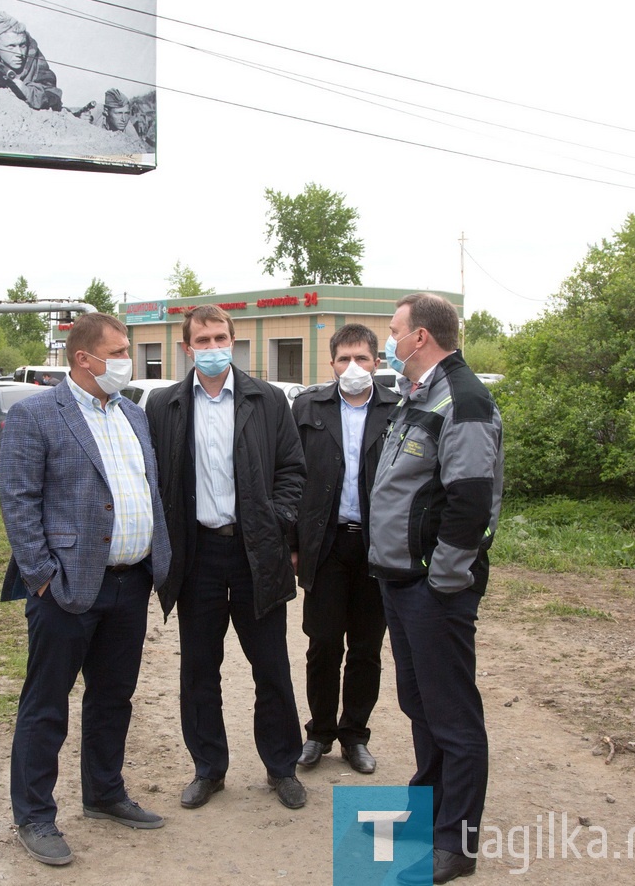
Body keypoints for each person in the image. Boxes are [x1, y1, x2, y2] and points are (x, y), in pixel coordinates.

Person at [0, 312, 170, 867]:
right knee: (46, 703)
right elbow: (18, 502)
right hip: (67, 587)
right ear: (83, 359)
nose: (127, 360)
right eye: (118, 351)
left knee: (112, 698)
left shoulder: (133, 415)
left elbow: (145, 489)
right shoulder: (36, 416)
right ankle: (35, 815)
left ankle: (104, 792)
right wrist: (42, 575)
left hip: (130, 582)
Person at [146, 305, 308, 811]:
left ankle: (281, 767)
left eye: (221, 338)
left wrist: (275, 520)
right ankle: (208, 768)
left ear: (234, 342)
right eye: (203, 339)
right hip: (197, 557)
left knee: (271, 668)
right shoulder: (164, 404)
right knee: (199, 670)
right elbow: (155, 479)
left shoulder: (268, 399)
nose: (213, 347)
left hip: (255, 552)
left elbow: (293, 471)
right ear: (186, 347)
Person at [367, 293, 503, 886]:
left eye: (394, 331)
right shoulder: (418, 394)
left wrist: (444, 580)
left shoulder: (465, 399)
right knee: (421, 705)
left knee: (453, 716)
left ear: (420, 336)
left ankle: (457, 842)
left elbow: (471, 500)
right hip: (402, 580)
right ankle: (425, 818)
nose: (389, 342)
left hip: (434, 588)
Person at [289, 324, 399, 775]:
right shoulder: (308, 407)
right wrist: (293, 543)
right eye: (343, 359)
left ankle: (355, 734)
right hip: (326, 544)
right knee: (324, 642)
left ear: (377, 361)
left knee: (367, 647)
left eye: (362, 358)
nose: (353, 367)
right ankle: (318, 733)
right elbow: (291, 476)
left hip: (378, 547)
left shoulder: (398, 408)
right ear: (331, 364)